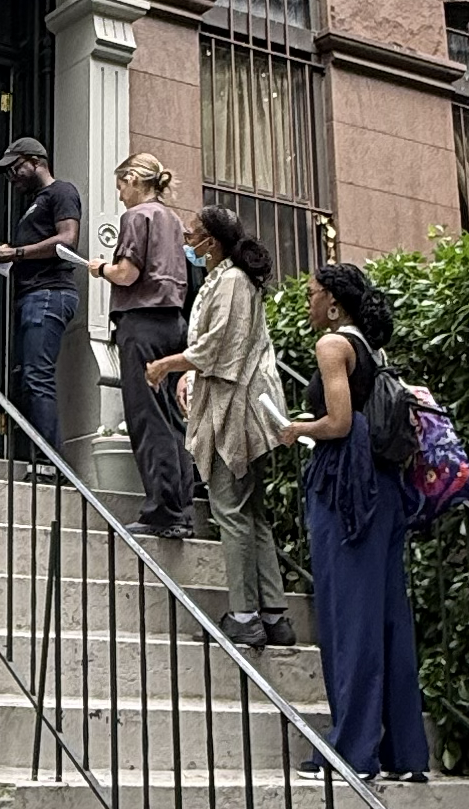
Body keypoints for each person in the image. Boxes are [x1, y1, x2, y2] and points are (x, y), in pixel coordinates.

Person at [280, 260, 432, 780]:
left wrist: (294, 427)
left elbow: (340, 422)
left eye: (312, 294)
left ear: (334, 302)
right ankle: (406, 755)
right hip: (384, 490)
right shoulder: (373, 348)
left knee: (349, 619)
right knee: (390, 618)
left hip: (347, 490)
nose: (308, 303)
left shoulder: (331, 346)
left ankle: (354, 751)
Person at [144, 205, 291, 645]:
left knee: (230, 510)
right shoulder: (231, 281)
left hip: (237, 411)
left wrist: (166, 366)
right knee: (252, 513)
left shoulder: (229, 281)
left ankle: (245, 616)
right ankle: (275, 615)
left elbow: (214, 349)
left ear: (212, 240)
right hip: (248, 407)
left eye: (193, 236)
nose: (189, 243)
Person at [96, 153, 198, 537]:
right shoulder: (173, 220)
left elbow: (128, 273)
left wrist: (101, 269)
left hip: (141, 321)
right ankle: (182, 508)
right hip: (174, 323)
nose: (120, 194)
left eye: (122, 184)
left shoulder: (136, 217)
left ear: (136, 179)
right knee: (172, 418)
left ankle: (162, 511)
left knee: (146, 417)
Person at [0, 134, 80, 470]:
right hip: (34, 296)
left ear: (36, 161)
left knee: (38, 376)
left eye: (16, 167)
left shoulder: (61, 191)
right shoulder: (36, 201)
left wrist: (17, 252)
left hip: (50, 294)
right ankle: (40, 458)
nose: (12, 176)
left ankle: (49, 464)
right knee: (30, 376)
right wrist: (6, 255)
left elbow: (68, 240)